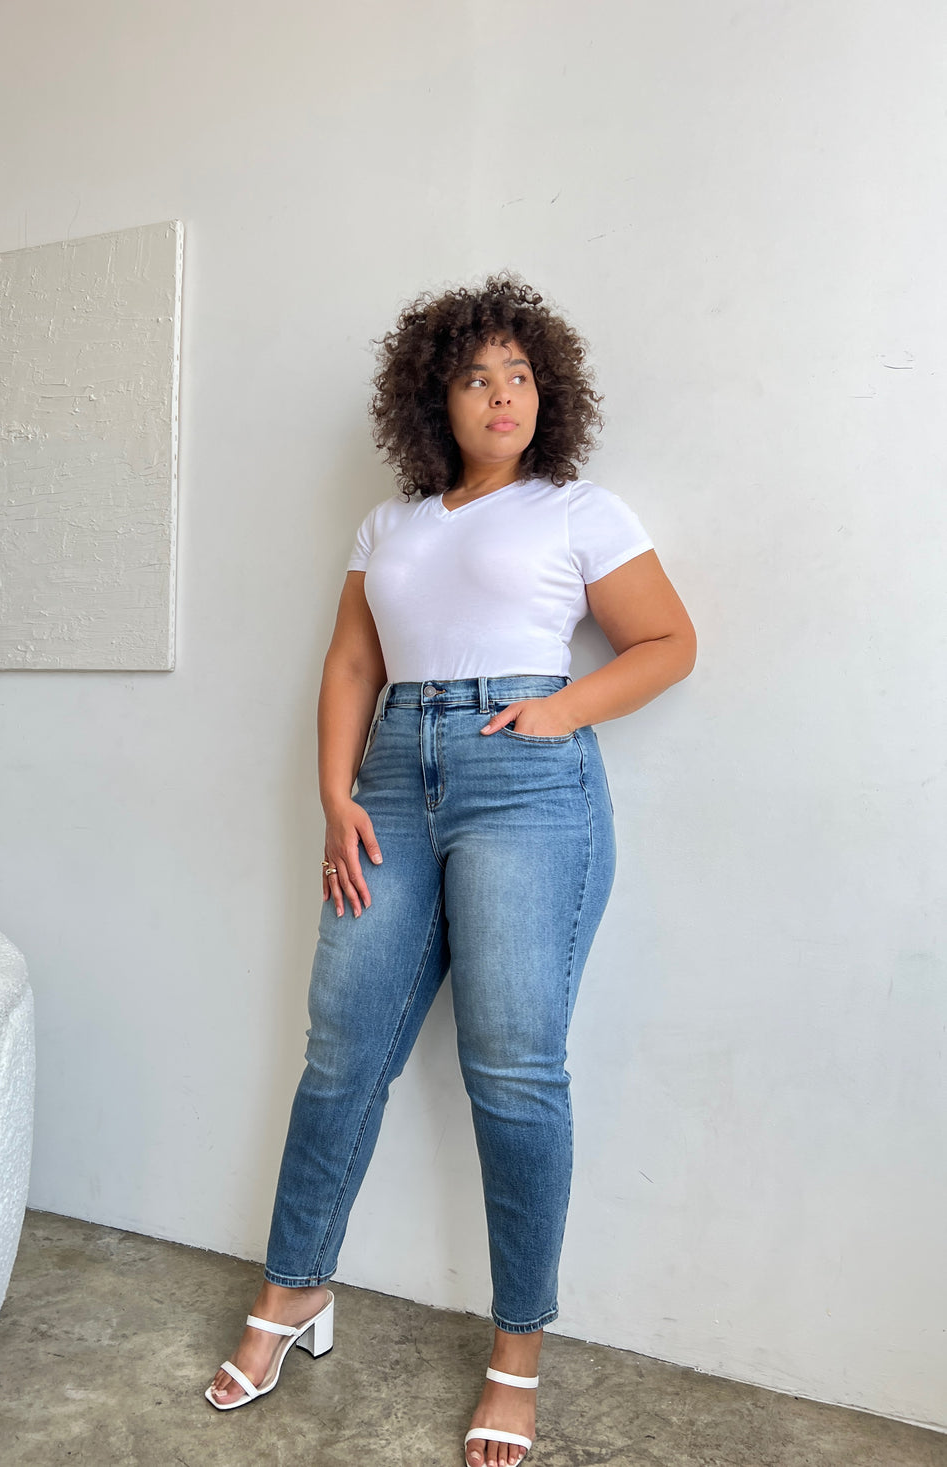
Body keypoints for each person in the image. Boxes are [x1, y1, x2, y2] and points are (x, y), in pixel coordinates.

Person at [205, 274, 696, 1466]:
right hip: (387, 783)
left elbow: (666, 642)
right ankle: (293, 1290)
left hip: (525, 784)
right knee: (341, 1052)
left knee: (512, 1070)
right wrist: (333, 796)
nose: (500, 396)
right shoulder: (390, 526)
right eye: (476, 377)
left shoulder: (577, 511)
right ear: (435, 399)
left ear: (547, 392)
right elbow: (349, 667)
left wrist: (556, 711)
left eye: (518, 375)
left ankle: (514, 1356)